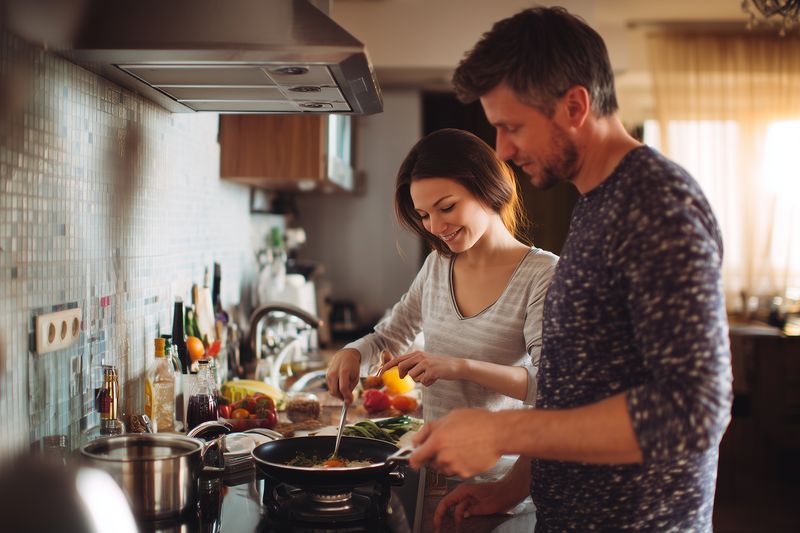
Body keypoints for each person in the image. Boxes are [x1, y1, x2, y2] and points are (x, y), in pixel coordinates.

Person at [409, 7, 733, 532]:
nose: (503, 151)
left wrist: (503, 436)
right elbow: (571, 390)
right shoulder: (595, 205)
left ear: (576, 105)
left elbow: (695, 411)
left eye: (512, 127)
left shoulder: (656, 205)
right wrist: (511, 487)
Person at [326, 128, 557, 476]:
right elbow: (389, 337)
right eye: (423, 215)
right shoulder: (438, 265)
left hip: (502, 481)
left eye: (446, 207)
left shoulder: (543, 274)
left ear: (487, 189)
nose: (435, 226)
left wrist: (458, 366)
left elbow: (551, 384)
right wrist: (355, 352)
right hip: (434, 471)